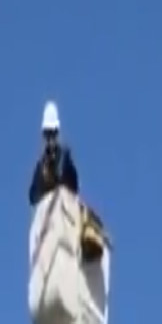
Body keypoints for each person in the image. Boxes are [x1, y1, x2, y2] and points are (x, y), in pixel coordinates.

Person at [28, 102, 107, 264]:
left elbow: (73, 185)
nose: (50, 138)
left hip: (63, 216)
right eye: (47, 134)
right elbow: (32, 195)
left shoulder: (64, 155)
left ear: (57, 133)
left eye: (52, 134)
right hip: (47, 221)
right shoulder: (41, 164)